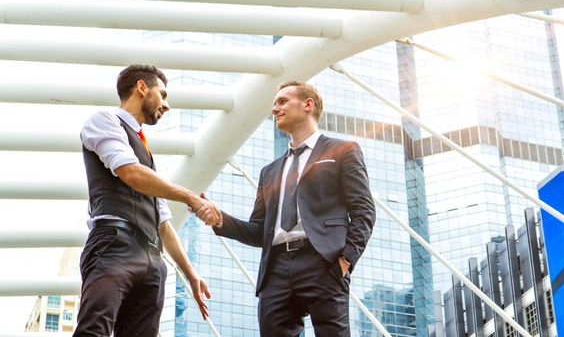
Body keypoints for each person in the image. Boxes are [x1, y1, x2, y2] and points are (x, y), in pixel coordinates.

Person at [203, 81, 376, 336]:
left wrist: (346, 260)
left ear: (308, 105)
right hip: (275, 270)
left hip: (324, 262)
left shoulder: (342, 151)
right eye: (274, 104)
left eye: (282, 101)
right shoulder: (269, 172)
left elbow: (364, 211)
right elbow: (258, 231)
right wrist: (220, 219)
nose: (275, 109)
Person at [75, 64, 221, 337]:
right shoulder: (105, 121)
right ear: (142, 87)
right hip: (114, 245)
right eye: (163, 95)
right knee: (94, 331)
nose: (166, 105)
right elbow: (128, 171)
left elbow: (163, 221)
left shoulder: (147, 156)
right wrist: (189, 196)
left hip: (153, 258)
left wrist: (191, 275)